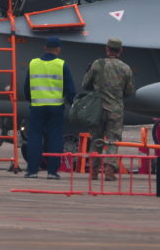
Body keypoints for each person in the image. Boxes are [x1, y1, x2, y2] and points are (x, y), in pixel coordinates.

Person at [81, 37, 135, 181]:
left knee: (95, 139)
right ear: (121, 51)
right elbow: (129, 91)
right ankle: (109, 171)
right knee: (113, 140)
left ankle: (93, 172)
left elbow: (85, 85)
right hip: (115, 110)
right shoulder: (125, 68)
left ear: (107, 49)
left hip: (97, 109)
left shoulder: (97, 64)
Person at [25, 36, 76, 179]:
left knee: (34, 138)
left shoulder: (33, 63)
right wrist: (72, 103)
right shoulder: (61, 65)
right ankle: (52, 172)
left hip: (37, 106)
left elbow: (26, 87)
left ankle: (32, 171)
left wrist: (33, 100)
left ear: (44, 48)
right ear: (58, 49)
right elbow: (70, 89)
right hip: (56, 107)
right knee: (55, 138)